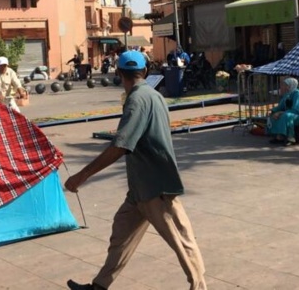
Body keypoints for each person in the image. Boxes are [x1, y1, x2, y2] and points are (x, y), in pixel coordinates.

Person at [65, 50, 206, 290]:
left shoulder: (137, 99)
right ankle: (99, 286)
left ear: (119, 74)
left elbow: (121, 145)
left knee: (182, 242)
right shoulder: (153, 95)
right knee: (121, 235)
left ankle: (199, 287)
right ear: (146, 71)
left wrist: (82, 175)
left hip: (155, 186)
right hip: (140, 188)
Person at [267, 77, 299, 146]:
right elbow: (280, 106)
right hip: (290, 113)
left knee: (287, 116)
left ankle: (291, 138)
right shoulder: (287, 94)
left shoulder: (298, 94)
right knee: (274, 115)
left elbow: (296, 109)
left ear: (290, 85)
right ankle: (278, 136)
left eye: (285, 85)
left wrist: (281, 113)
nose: (282, 86)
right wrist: (273, 111)